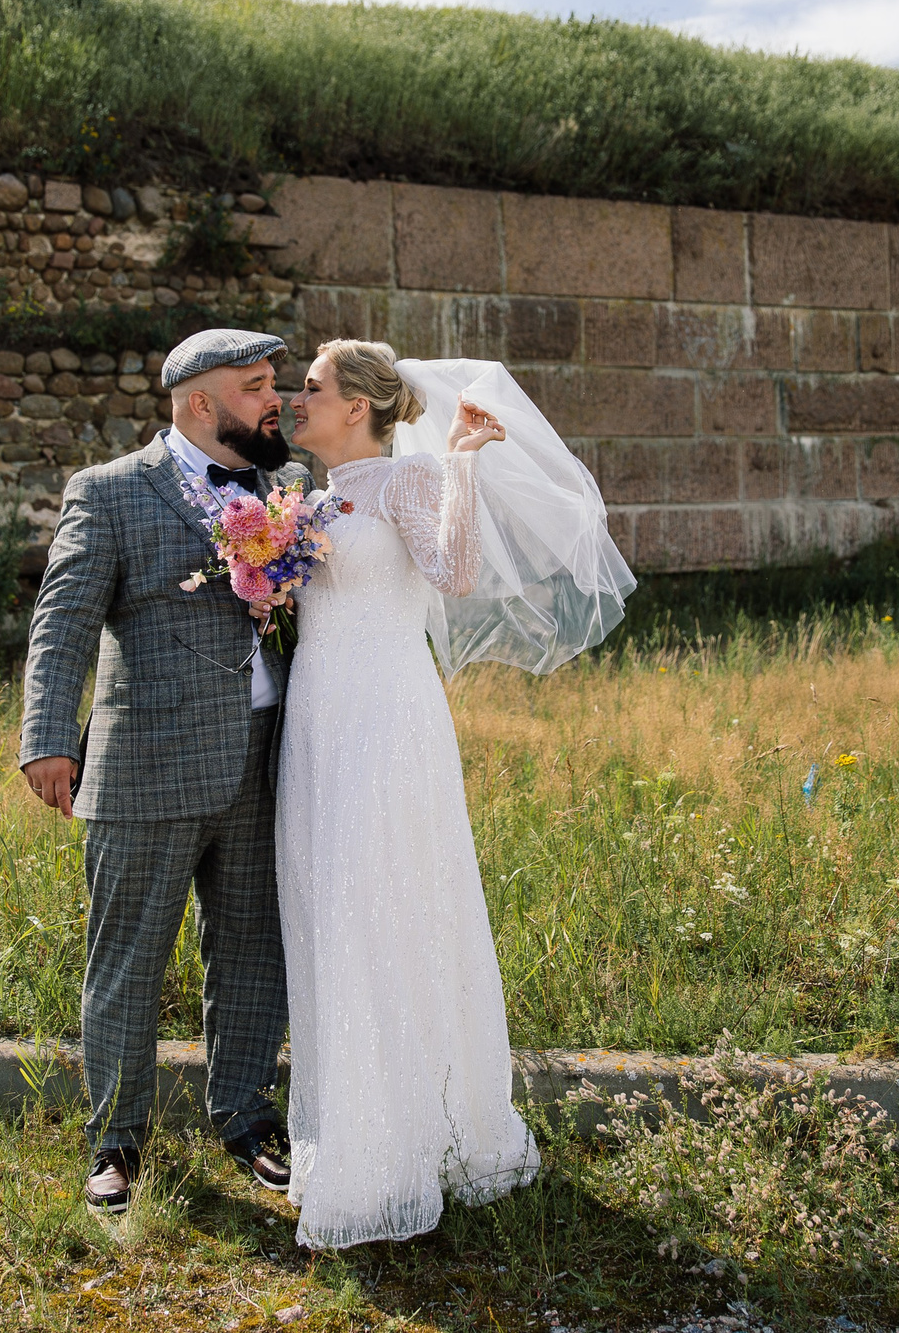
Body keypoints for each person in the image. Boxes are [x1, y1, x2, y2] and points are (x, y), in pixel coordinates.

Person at [276, 338, 634, 1249]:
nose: (294, 399)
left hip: (387, 718)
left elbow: (454, 572)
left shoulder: (407, 480)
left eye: (311, 387)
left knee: (388, 908)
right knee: (329, 910)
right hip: (318, 715)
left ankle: (417, 1145)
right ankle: (361, 1130)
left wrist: (464, 461)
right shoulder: (313, 498)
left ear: (356, 404)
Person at [17, 327, 306, 1217]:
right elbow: (63, 618)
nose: (276, 400)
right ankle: (115, 1137)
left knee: (255, 951)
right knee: (129, 959)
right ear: (198, 403)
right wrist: (46, 734)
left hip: (269, 760)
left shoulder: (289, 490)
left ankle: (248, 1118)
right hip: (146, 763)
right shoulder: (106, 493)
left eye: (275, 384)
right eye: (255, 386)